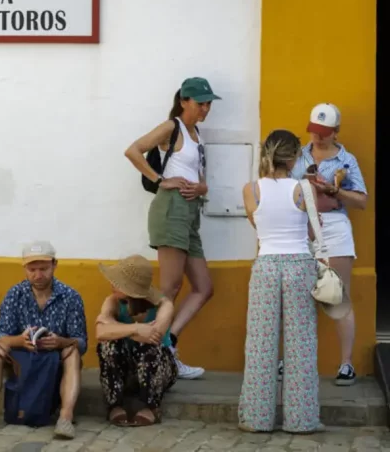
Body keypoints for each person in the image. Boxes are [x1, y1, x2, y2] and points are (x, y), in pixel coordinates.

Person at [123, 77, 221, 380]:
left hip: (190, 213)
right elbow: (133, 150)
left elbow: (199, 177)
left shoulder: (197, 134)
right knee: (170, 287)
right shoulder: (172, 127)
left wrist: (201, 187)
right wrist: (160, 180)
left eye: (208, 103)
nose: (206, 109)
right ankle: (149, 353)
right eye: (201, 103)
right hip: (171, 209)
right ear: (184, 101)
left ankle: (167, 346)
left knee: (203, 287)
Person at [238, 130, 323, 434]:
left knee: (260, 344)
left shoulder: (251, 190)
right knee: (301, 344)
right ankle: (301, 420)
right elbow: (313, 230)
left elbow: (257, 225)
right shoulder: (304, 189)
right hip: (299, 265)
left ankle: (257, 418)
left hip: (266, 266)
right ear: (295, 157)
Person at [0, 241, 87, 440]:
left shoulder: (70, 296)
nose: (38, 275)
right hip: (22, 359)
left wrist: (60, 342)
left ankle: (65, 417)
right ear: (24, 269)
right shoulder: (15, 294)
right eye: (32, 270)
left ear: (54, 265)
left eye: (43, 269)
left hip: (55, 360)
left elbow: (81, 342)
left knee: (72, 352)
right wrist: (20, 341)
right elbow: (0, 336)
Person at [288, 103, 368, 386]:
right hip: (300, 225)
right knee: (296, 295)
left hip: (334, 227)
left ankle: (346, 363)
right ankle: (291, 361)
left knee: (338, 294)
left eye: (324, 131)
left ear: (336, 131)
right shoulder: (297, 155)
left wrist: (336, 192)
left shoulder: (347, 160)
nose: (318, 136)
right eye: (314, 130)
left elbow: (362, 200)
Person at [95, 254, 178, 427]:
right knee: (108, 345)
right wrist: (136, 328)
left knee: (147, 346)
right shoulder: (112, 301)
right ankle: (114, 405)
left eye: (118, 283)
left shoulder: (164, 306)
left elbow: (154, 336)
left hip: (157, 369)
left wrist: (115, 328)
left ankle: (151, 407)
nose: (112, 285)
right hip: (126, 368)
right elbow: (100, 332)